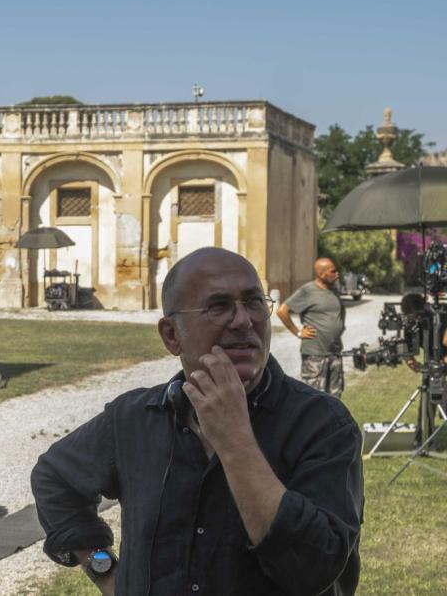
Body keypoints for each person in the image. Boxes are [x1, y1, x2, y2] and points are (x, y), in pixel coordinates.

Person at [30, 247, 363, 595]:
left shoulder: (322, 423)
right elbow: (54, 478)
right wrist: (107, 572)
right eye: (218, 306)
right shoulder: (136, 417)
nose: (244, 320)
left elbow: (315, 569)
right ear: (172, 335)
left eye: (253, 302)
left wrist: (235, 439)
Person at [276, 257, 346, 397]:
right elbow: (282, 311)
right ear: (321, 274)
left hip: (334, 353)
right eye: (333, 271)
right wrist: (299, 333)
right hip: (315, 355)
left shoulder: (334, 290)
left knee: (335, 398)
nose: (337, 274)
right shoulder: (308, 290)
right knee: (313, 398)